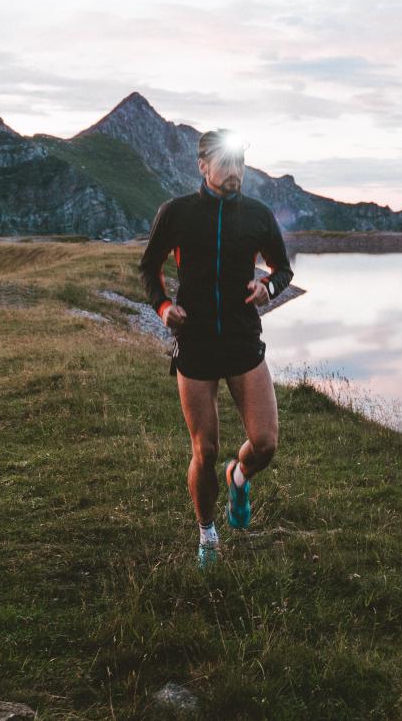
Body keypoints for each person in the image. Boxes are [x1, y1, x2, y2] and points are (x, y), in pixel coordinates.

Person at [139, 127, 294, 567]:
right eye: (225, 163)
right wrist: (164, 306)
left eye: (239, 163)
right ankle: (207, 535)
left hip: (244, 341)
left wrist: (268, 287)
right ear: (203, 166)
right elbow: (149, 268)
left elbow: (283, 269)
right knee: (204, 450)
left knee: (264, 443)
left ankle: (238, 476)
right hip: (197, 345)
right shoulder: (178, 214)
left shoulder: (258, 215)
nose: (234, 172)